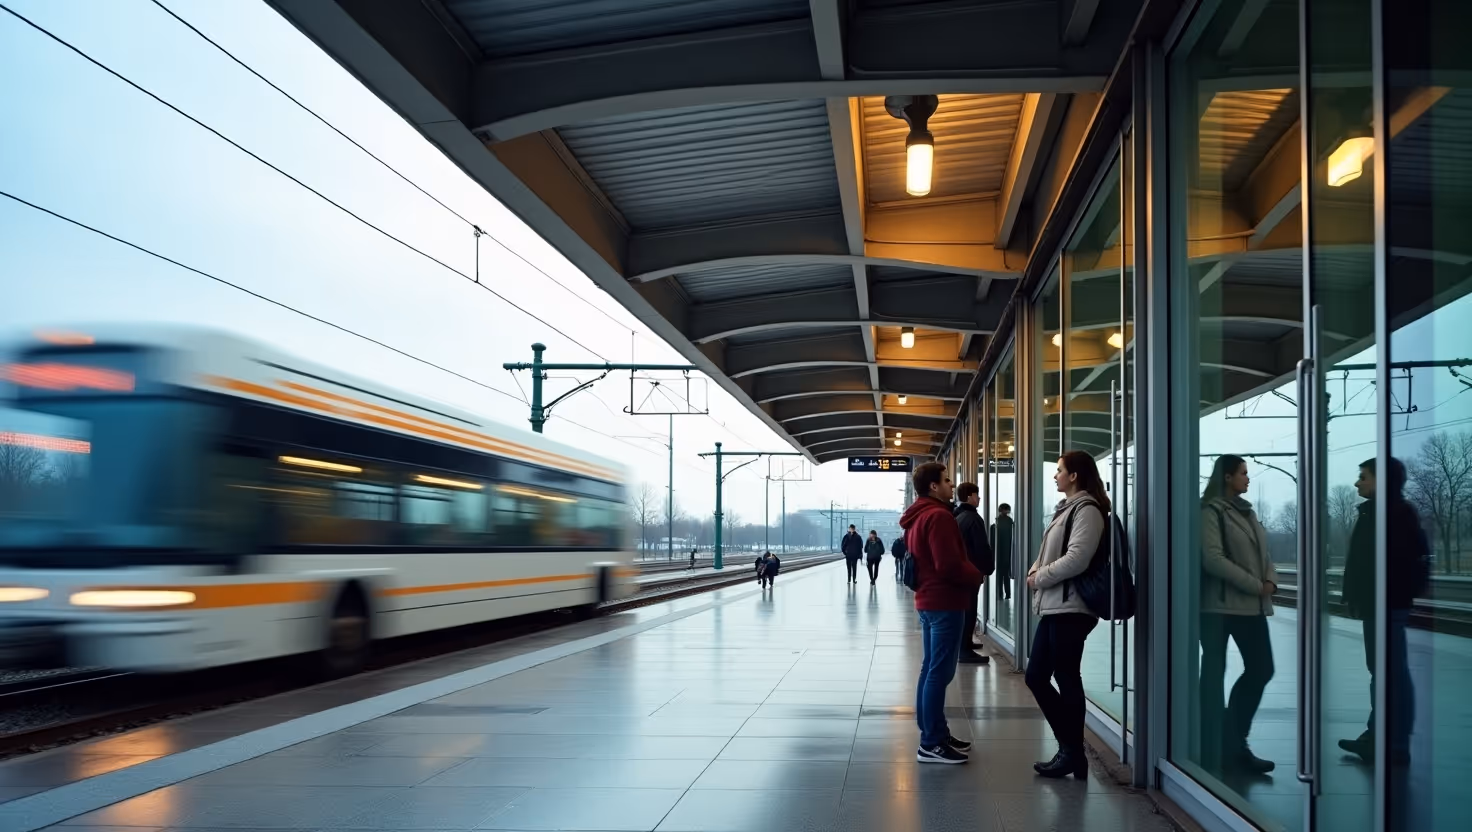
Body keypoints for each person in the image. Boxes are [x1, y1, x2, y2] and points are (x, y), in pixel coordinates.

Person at [1339, 456, 1429, 767]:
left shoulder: (1395, 514)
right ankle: (1376, 738)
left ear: (1382, 480)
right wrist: (1353, 594)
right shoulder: (1378, 512)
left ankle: (1394, 743)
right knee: (1383, 673)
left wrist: (1393, 595)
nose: (1357, 482)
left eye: (1363, 476)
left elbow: (1401, 562)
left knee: (1392, 675)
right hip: (1377, 604)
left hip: (1387, 604)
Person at [1025, 450, 1107, 780]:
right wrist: (1035, 572)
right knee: (1038, 676)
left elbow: (1077, 559)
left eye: (1059, 470)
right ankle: (1072, 750)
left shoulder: (1087, 510)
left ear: (1074, 476)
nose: (1055, 475)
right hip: (1057, 605)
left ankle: (1072, 752)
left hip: (1072, 608)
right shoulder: (1067, 510)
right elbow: (1050, 554)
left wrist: (1039, 577)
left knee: (1066, 678)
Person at [1198, 454, 1278, 775]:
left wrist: (1270, 579)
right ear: (1228, 477)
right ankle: (1220, 745)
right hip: (1217, 607)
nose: (1248, 478)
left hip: (1250, 607)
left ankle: (1230, 739)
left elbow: (1264, 553)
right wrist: (1256, 585)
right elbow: (1212, 559)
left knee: (1261, 669)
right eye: (1243, 473)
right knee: (1214, 676)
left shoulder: (1248, 513)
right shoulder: (1210, 512)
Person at [901, 462, 982, 765]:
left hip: (927, 601)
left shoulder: (917, 517)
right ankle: (931, 742)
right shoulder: (939, 516)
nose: (952, 485)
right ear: (934, 486)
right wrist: (976, 575)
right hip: (945, 601)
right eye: (947, 480)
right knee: (940, 672)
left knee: (930, 669)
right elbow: (948, 564)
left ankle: (934, 731)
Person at [954, 482, 995, 665]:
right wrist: (987, 568)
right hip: (972, 571)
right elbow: (981, 547)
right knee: (970, 609)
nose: (979, 499)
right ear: (970, 496)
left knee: (966, 608)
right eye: (977, 495)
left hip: (962, 571)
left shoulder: (958, 516)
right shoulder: (973, 518)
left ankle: (965, 643)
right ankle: (964, 650)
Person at [992, 504, 1014, 600]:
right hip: (1008, 553)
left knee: (999, 575)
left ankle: (999, 594)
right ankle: (1008, 594)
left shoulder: (995, 525)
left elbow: (992, 543)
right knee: (1006, 575)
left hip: (998, 555)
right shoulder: (1010, 524)